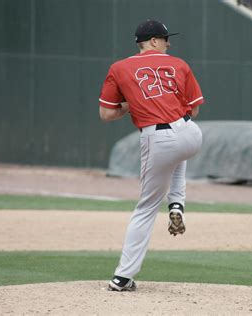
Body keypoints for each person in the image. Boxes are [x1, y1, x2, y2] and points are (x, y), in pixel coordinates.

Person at [98, 19, 204, 291]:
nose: (169, 43)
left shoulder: (119, 68)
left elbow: (106, 114)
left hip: (158, 138)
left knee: (145, 209)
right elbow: (193, 110)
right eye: (165, 39)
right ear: (154, 41)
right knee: (179, 154)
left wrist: (128, 107)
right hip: (191, 133)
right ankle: (177, 204)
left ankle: (122, 278)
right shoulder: (180, 64)